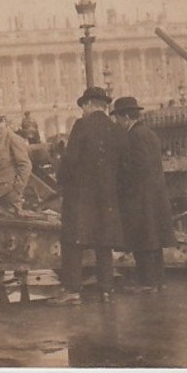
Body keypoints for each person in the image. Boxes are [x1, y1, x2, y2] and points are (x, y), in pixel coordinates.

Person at [49, 86, 128, 305]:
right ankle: (106, 289)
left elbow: (71, 160)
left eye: (83, 106)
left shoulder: (81, 125)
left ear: (89, 105)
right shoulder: (116, 130)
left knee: (73, 242)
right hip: (107, 197)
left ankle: (73, 290)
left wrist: (62, 179)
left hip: (81, 196)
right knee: (104, 244)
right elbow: (123, 166)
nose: (82, 111)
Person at [110, 96, 176, 292]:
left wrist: (120, 182)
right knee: (153, 239)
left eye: (118, 118)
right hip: (152, 195)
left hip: (139, 196)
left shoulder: (134, 136)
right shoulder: (148, 133)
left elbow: (137, 168)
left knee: (143, 239)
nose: (117, 123)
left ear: (125, 117)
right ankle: (158, 281)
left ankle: (147, 282)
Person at [0, 110, 32, 213]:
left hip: (9, 193)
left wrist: (16, 189)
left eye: (1, 121)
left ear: (6, 123)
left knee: (13, 226)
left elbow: (25, 166)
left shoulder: (13, 139)